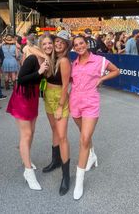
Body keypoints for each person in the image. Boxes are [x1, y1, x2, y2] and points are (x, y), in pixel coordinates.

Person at [69, 35, 119, 200]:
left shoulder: (99, 60)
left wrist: (102, 78)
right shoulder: (73, 64)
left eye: (81, 43)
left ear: (86, 44)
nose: (79, 46)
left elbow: (116, 70)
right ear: (74, 48)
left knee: (84, 139)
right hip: (74, 103)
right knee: (85, 135)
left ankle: (79, 182)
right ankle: (92, 155)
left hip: (91, 103)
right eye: (76, 45)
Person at [6, 45, 49, 190]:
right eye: (45, 44)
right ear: (40, 46)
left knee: (32, 131)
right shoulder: (32, 58)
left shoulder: (46, 59)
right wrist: (39, 71)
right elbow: (21, 79)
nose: (49, 47)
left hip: (32, 98)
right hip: (23, 97)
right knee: (27, 134)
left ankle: (26, 159)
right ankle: (28, 172)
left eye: (51, 44)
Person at [41, 31, 71, 196]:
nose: (58, 44)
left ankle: (66, 176)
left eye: (62, 42)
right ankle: (56, 161)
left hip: (60, 98)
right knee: (54, 130)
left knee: (62, 136)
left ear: (66, 46)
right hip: (48, 97)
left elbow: (66, 85)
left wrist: (60, 106)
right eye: (57, 41)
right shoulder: (52, 59)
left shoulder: (64, 61)